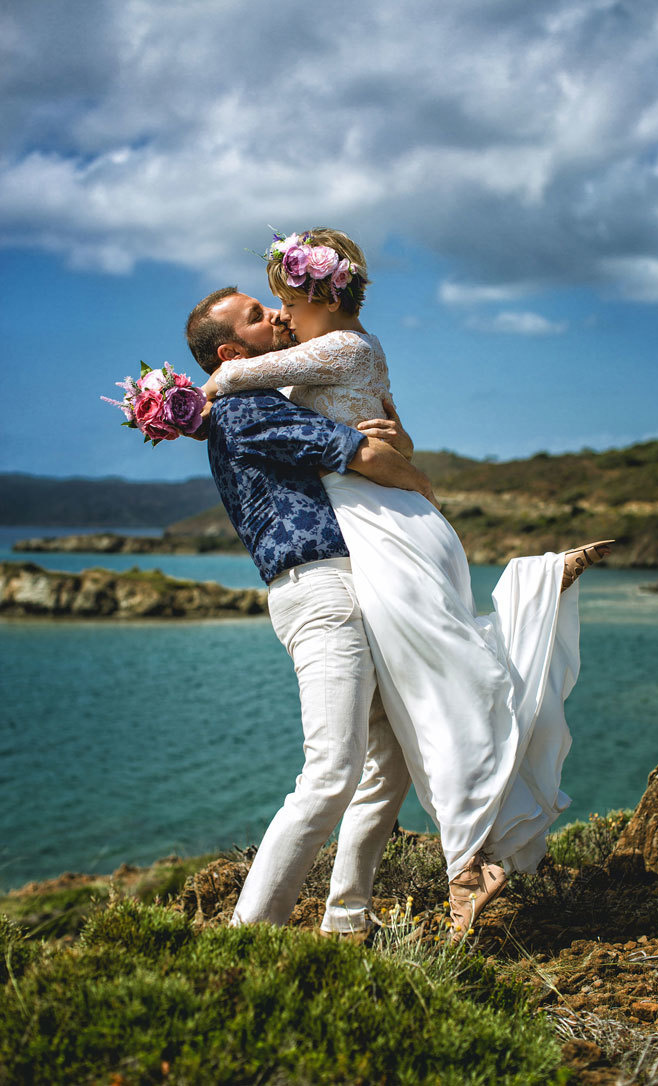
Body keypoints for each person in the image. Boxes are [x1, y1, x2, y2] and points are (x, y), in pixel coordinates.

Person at [201, 228, 613, 938]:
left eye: (280, 296)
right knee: (423, 708)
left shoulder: (331, 353)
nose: (276, 310)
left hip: (387, 528)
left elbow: (355, 435)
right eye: (260, 310)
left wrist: (191, 398)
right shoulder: (276, 385)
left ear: (314, 288)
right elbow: (367, 436)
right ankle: (398, 894)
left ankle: (531, 592)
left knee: (444, 682)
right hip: (366, 539)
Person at [185, 289, 427, 933]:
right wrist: (422, 484)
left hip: (345, 584)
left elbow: (371, 442)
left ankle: (347, 918)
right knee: (331, 770)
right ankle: (249, 936)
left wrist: (391, 436)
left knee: (389, 761)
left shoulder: (276, 398)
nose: (279, 316)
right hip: (320, 589)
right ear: (233, 352)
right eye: (259, 316)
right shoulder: (244, 409)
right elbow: (363, 456)